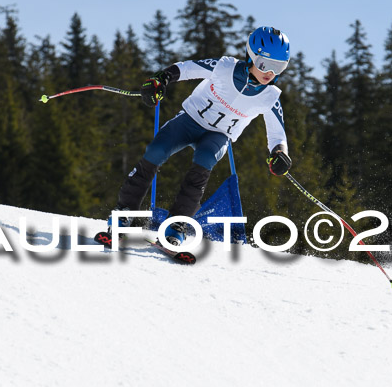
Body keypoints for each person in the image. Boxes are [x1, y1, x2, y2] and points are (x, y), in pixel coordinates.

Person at [107, 26, 293, 247]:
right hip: (190, 120)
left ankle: (176, 226)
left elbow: (277, 135)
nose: (270, 73)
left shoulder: (270, 96)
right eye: (265, 64)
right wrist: (161, 78)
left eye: (278, 67)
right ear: (252, 55)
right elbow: (188, 69)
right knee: (155, 151)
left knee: (205, 159)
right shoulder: (225, 67)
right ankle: (124, 213)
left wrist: (279, 153)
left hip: (219, 135)